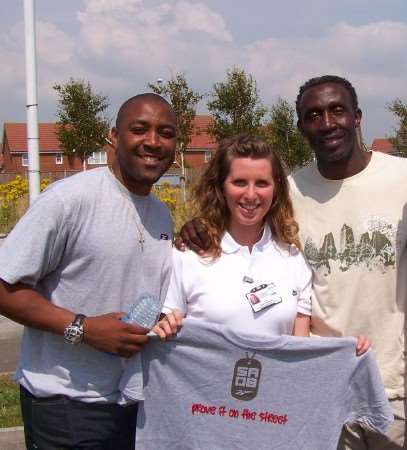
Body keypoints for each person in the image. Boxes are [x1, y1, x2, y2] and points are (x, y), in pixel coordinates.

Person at [178, 75, 407, 450]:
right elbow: (239, 221)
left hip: (396, 388)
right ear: (302, 126)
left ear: (358, 116)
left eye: (338, 110)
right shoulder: (287, 192)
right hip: (320, 387)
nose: (327, 122)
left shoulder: (402, 179)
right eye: (314, 114)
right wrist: (196, 228)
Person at [0, 92, 177, 449]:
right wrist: (83, 328)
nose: (153, 142)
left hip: (128, 401)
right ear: (114, 136)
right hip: (67, 404)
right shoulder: (69, 199)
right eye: (139, 129)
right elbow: (4, 287)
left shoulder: (162, 214)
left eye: (166, 132)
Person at [153, 135, 369, 357]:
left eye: (262, 183)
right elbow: (165, 337)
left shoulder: (293, 258)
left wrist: (345, 354)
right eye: (239, 182)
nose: (250, 194)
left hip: (275, 391)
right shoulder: (187, 256)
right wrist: (161, 328)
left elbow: (300, 352)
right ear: (220, 186)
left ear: (276, 189)